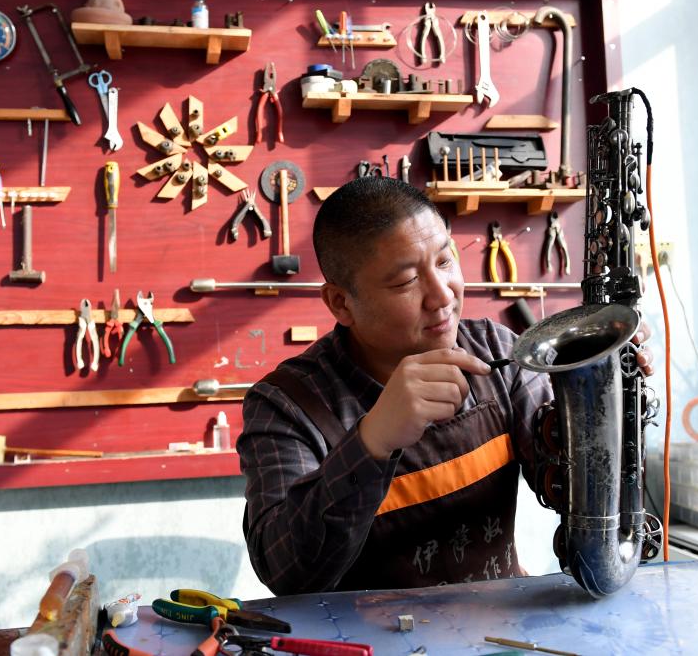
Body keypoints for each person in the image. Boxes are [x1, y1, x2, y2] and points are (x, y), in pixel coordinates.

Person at [237, 176, 652, 595]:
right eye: (405, 281)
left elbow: (572, 487)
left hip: (500, 621)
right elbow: (286, 573)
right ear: (340, 303)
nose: (442, 296)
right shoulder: (285, 404)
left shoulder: (495, 348)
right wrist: (372, 442)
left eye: (444, 261)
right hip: (362, 632)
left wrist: (609, 400)